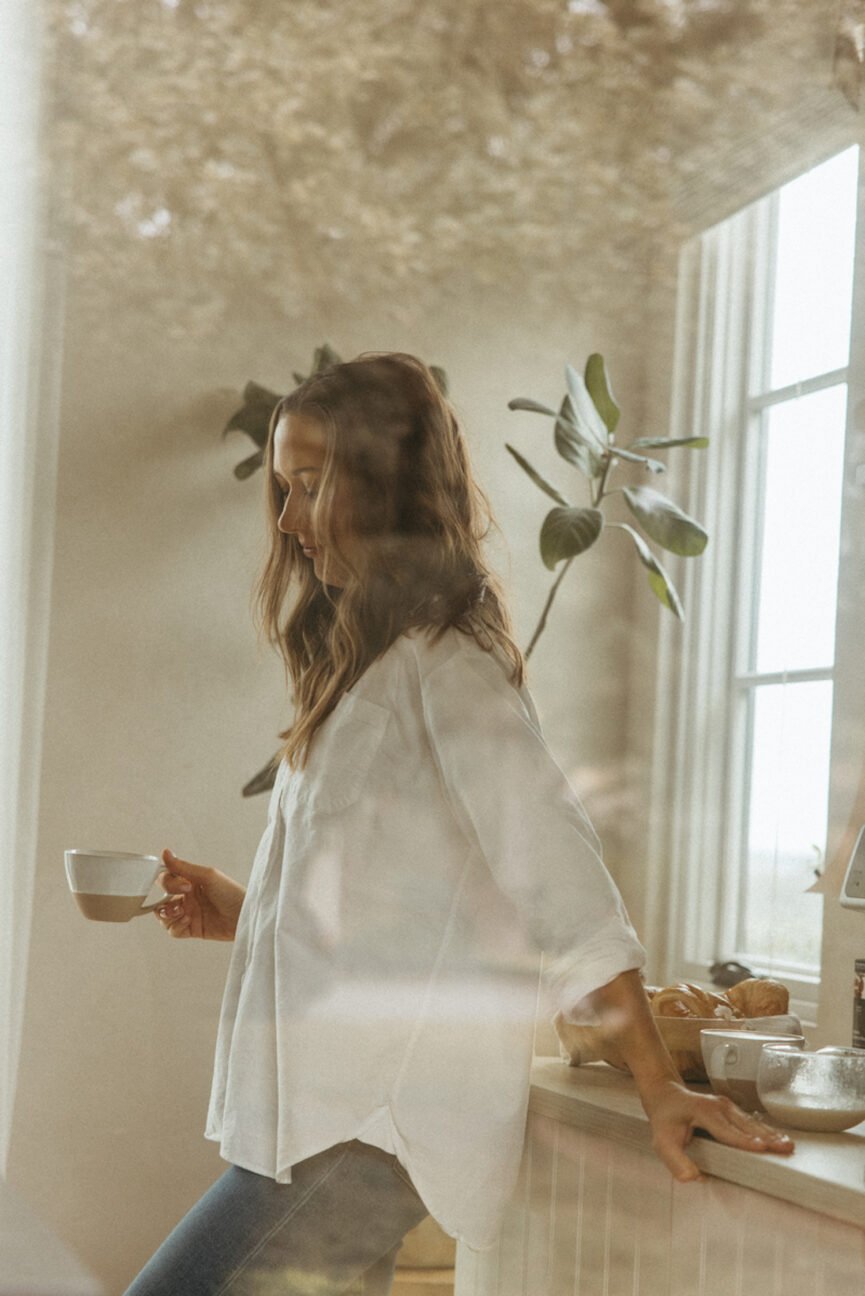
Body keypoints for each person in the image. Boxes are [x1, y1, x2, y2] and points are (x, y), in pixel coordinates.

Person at [124, 353, 794, 1296]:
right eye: (283, 488)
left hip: (361, 1135)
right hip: (320, 1125)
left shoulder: (450, 669)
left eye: (310, 486)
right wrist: (247, 910)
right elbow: (401, 903)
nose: (284, 520)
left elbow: (563, 882)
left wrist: (659, 1087)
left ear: (387, 484)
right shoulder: (373, 664)